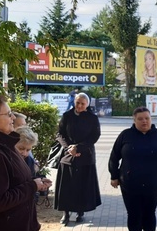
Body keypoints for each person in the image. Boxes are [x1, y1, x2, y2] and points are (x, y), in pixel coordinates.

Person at [108, 106, 157, 231]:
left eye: (147, 118)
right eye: (140, 119)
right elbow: (114, 156)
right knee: (134, 216)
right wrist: (114, 176)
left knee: (150, 214)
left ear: (151, 119)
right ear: (134, 120)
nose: (144, 121)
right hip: (130, 183)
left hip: (153, 183)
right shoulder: (125, 135)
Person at [0, 95, 48, 231]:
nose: (13, 118)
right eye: (9, 114)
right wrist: (32, 186)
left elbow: (15, 181)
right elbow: (1, 200)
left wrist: (37, 182)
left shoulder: (8, 145)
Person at [54, 92, 101, 226]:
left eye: (82, 103)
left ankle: (80, 212)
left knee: (82, 185)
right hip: (68, 154)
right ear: (74, 102)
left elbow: (94, 136)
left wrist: (79, 148)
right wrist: (70, 148)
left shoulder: (92, 118)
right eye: (77, 102)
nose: (79, 105)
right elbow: (60, 133)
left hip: (86, 155)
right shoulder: (67, 116)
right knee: (66, 186)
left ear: (87, 104)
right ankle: (66, 213)